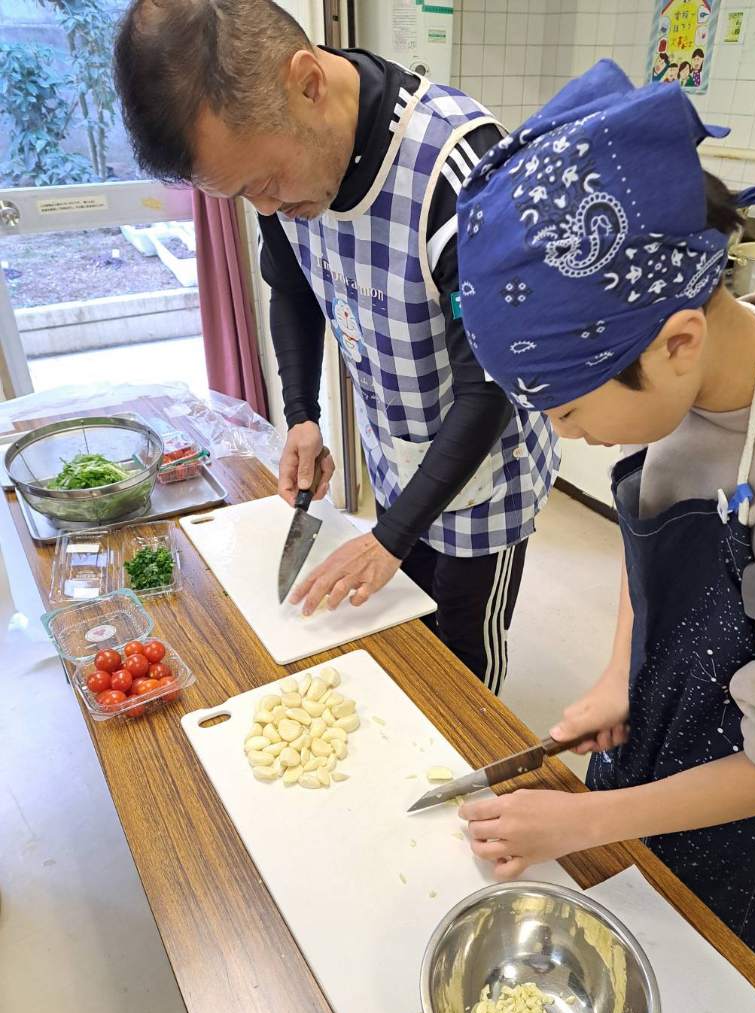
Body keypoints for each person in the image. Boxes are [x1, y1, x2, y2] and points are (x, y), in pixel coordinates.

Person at [455, 60, 755, 959]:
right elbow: (650, 532)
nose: (564, 432)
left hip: (754, 786)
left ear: (677, 342)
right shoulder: (694, 370)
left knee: (706, 957)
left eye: (571, 409)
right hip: (663, 712)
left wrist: (584, 825)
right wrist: (621, 672)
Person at [114, 0, 558, 694]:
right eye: (243, 195)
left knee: (465, 658)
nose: (265, 208)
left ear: (307, 84)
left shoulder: (459, 173)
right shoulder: (284, 184)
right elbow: (290, 287)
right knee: (410, 630)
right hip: (399, 452)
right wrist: (301, 414)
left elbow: (491, 384)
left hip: (485, 474)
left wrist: (391, 536)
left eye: (264, 183)